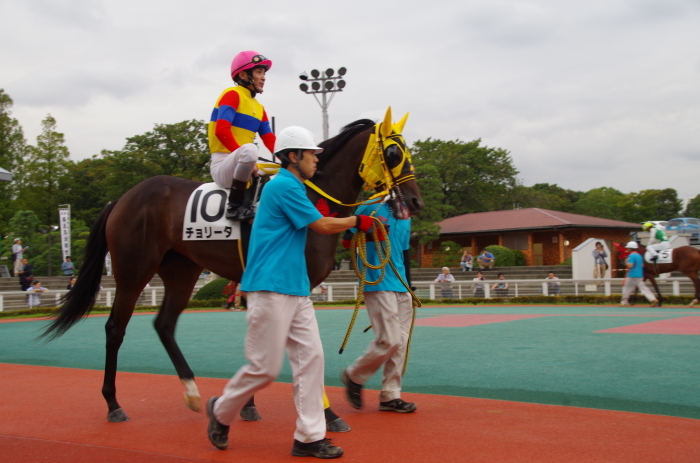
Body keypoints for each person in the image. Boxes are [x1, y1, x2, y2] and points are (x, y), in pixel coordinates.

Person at [206, 126, 373, 458]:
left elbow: (323, 221)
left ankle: (309, 438)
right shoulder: (282, 185)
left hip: (295, 289)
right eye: (311, 153)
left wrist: (352, 218)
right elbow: (322, 226)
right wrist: (357, 221)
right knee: (265, 369)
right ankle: (222, 411)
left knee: (312, 361)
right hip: (269, 288)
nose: (315, 159)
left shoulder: (295, 186)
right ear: (293, 157)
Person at [340, 196, 416, 417]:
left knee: (400, 343)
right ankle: (354, 376)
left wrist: (409, 285)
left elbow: (404, 251)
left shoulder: (405, 212)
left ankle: (391, 395)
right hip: (377, 280)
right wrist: (370, 234)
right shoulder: (369, 206)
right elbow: (347, 240)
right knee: (390, 340)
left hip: (401, 283)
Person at [209, 50, 276, 221]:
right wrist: (247, 158)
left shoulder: (259, 108)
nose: (264, 77)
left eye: (264, 73)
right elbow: (221, 130)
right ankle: (235, 207)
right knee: (250, 150)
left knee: (284, 171)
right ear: (244, 75)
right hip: (223, 164)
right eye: (259, 72)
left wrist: (293, 161)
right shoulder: (232, 94)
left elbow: (270, 140)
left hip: (243, 161)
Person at [620, 241, 658, 307]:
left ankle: (624, 302)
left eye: (628, 248)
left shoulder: (631, 256)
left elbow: (630, 265)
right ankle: (653, 299)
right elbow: (642, 265)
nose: (627, 249)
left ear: (631, 248)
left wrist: (626, 262)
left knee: (626, 288)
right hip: (639, 275)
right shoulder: (639, 256)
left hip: (632, 275)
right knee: (644, 288)